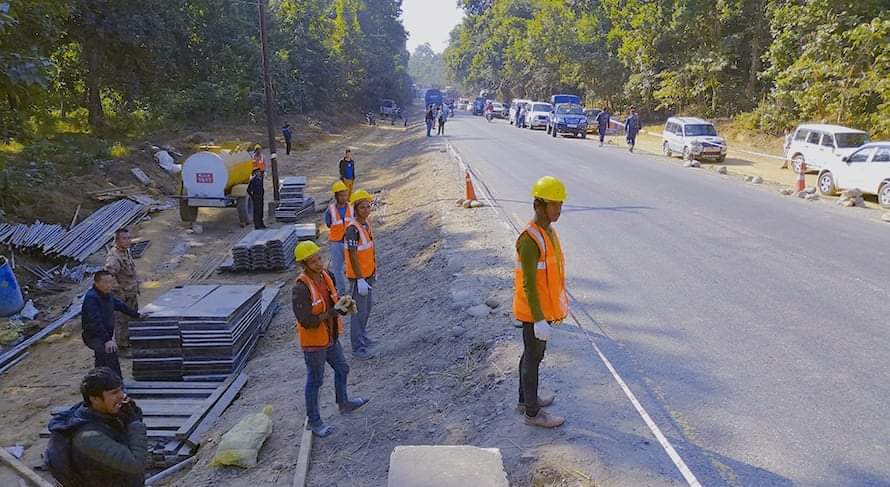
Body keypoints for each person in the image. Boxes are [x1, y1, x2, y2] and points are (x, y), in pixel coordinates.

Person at [292, 241, 369, 437]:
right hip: (314, 343)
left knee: (342, 368)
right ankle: (314, 422)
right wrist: (333, 312)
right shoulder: (300, 288)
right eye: (313, 261)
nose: (319, 263)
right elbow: (306, 320)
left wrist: (343, 306)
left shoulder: (328, 276)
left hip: (330, 337)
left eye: (319, 257)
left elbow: (333, 302)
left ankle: (343, 403)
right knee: (315, 381)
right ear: (304, 264)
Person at [514, 176, 569, 429]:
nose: (558, 210)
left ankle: (526, 400)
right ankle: (532, 414)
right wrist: (537, 319)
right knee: (533, 358)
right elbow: (528, 283)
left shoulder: (549, 232)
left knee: (532, 355)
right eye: (553, 204)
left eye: (560, 204)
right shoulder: (529, 239)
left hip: (543, 311)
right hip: (532, 312)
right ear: (538, 205)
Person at [46, 367, 147, 486]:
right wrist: (134, 424)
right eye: (114, 393)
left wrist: (133, 415)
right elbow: (136, 464)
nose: (122, 396)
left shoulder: (103, 414)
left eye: (121, 390)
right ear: (94, 399)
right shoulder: (89, 437)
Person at [82, 271, 140, 380]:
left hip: (104, 334)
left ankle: (104, 381)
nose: (110, 285)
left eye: (111, 282)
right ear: (97, 283)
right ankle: (114, 382)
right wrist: (107, 340)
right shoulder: (91, 298)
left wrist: (137, 315)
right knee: (108, 352)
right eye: (106, 282)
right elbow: (95, 322)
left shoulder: (106, 294)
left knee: (105, 358)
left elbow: (120, 305)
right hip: (94, 336)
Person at [344, 189, 376, 360]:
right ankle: (357, 347)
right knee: (358, 313)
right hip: (359, 277)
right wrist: (360, 279)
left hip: (368, 274)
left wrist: (372, 272)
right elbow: (353, 254)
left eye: (368, 206)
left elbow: (369, 250)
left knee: (367, 309)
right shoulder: (352, 229)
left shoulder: (365, 224)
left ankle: (363, 337)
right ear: (355, 209)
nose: (366, 210)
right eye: (362, 207)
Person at [105, 228, 139, 356]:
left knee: (132, 318)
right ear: (117, 240)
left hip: (131, 292)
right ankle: (122, 347)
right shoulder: (114, 257)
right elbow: (109, 278)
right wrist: (120, 293)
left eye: (129, 238)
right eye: (124, 238)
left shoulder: (125, 252)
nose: (128, 241)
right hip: (122, 296)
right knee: (122, 321)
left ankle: (130, 342)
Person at [324, 180, 354, 295]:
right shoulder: (330, 210)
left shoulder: (351, 208)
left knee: (351, 267)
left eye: (345, 194)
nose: (344, 197)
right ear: (336, 196)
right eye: (341, 195)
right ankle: (341, 292)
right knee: (338, 270)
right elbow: (328, 223)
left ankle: (353, 289)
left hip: (349, 242)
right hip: (336, 242)